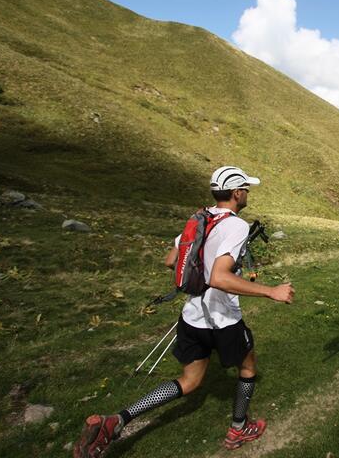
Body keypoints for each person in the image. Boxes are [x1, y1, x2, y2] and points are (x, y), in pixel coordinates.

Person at [74, 166, 295, 458]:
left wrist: (198, 272)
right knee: (248, 368)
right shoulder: (237, 226)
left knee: (189, 381)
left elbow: (170, 261)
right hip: (223, 320)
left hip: (192, 316)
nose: (247, 194)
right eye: (246, 189)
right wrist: (271, 291)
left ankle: (116, 421)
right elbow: (219, 277)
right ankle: (239, 428)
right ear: (237, 192)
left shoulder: (198, 218)